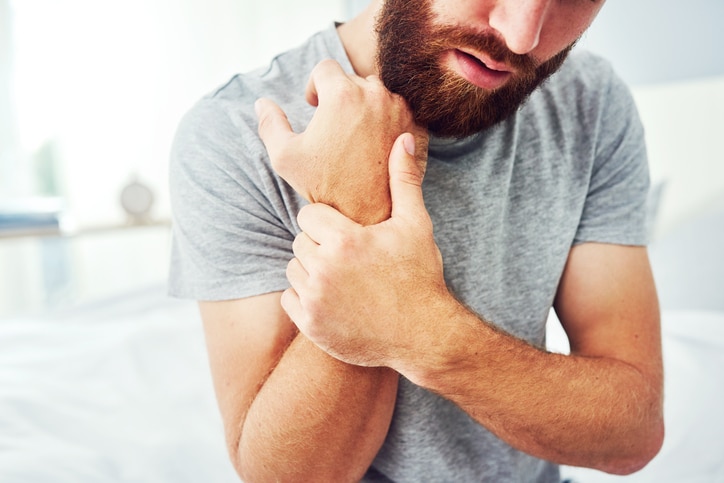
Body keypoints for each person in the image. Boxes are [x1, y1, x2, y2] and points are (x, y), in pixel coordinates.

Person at [168, 0, 665, 481]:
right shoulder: (230, 135)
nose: (521, 36)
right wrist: (357, 206)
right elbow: (291, 477)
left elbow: (632, 433)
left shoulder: (591, 103)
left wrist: (415, 326)